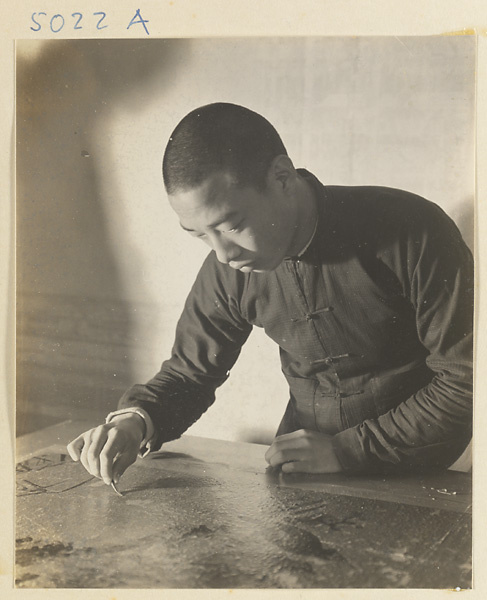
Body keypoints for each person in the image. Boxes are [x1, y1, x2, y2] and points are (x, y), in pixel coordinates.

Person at [67, 102, 473, 485]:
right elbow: (189, 374)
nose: (223, 255)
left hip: (418, 469)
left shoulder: (414, 230)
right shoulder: (230, 265)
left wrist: (347, 451)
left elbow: (467, 382)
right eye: (198, 234)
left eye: (231, 224)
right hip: (298, 467)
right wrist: (135, 420)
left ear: (282, 178)